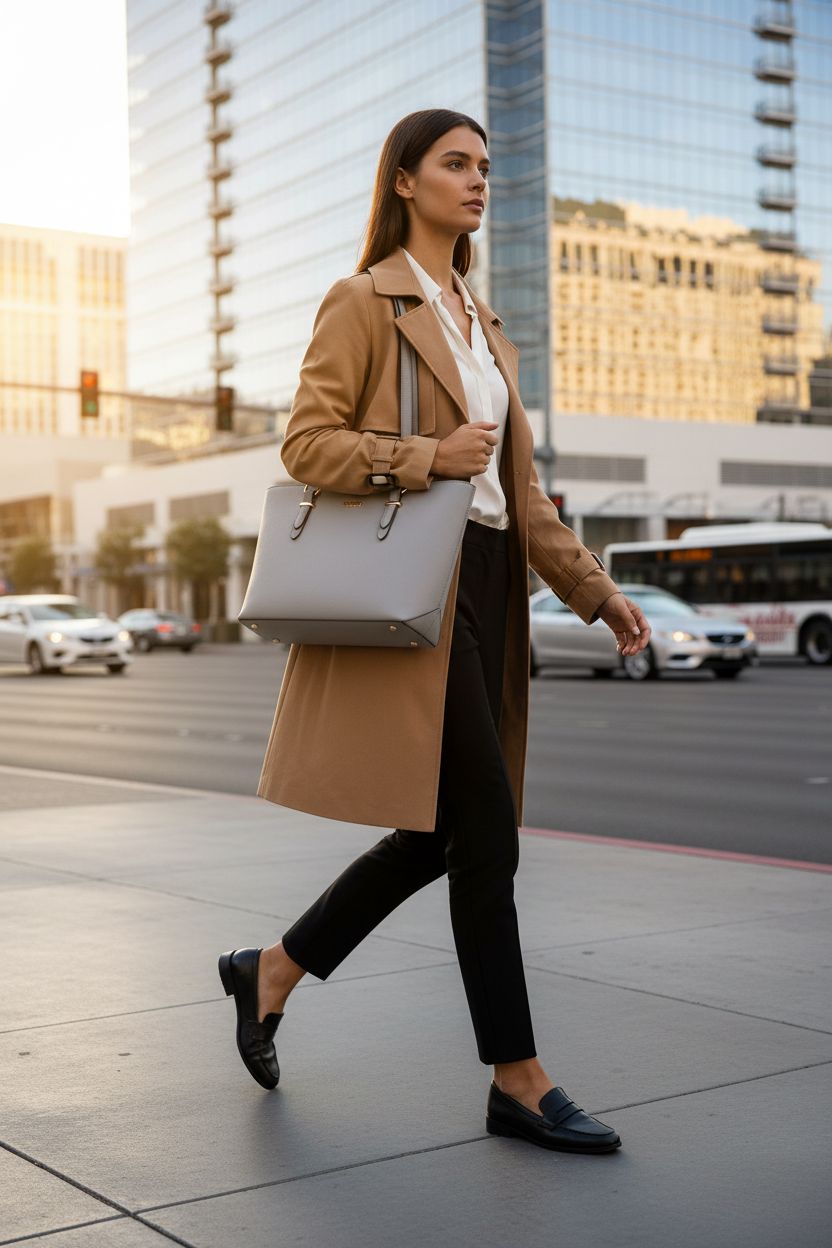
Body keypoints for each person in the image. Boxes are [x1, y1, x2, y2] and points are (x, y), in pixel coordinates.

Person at [218, 109, 651, 1155]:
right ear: (404, 181)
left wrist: (594, 590)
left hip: (495, 581)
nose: (477, 179)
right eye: (455, 163)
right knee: (486, 836)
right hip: (422, 581)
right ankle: (518, 1077)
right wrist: (422, 457)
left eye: (485, 166)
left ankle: (271, 970)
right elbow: (306, 444)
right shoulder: (365, 300)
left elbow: (521, 494)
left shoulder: (486, 326)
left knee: (441, 832)